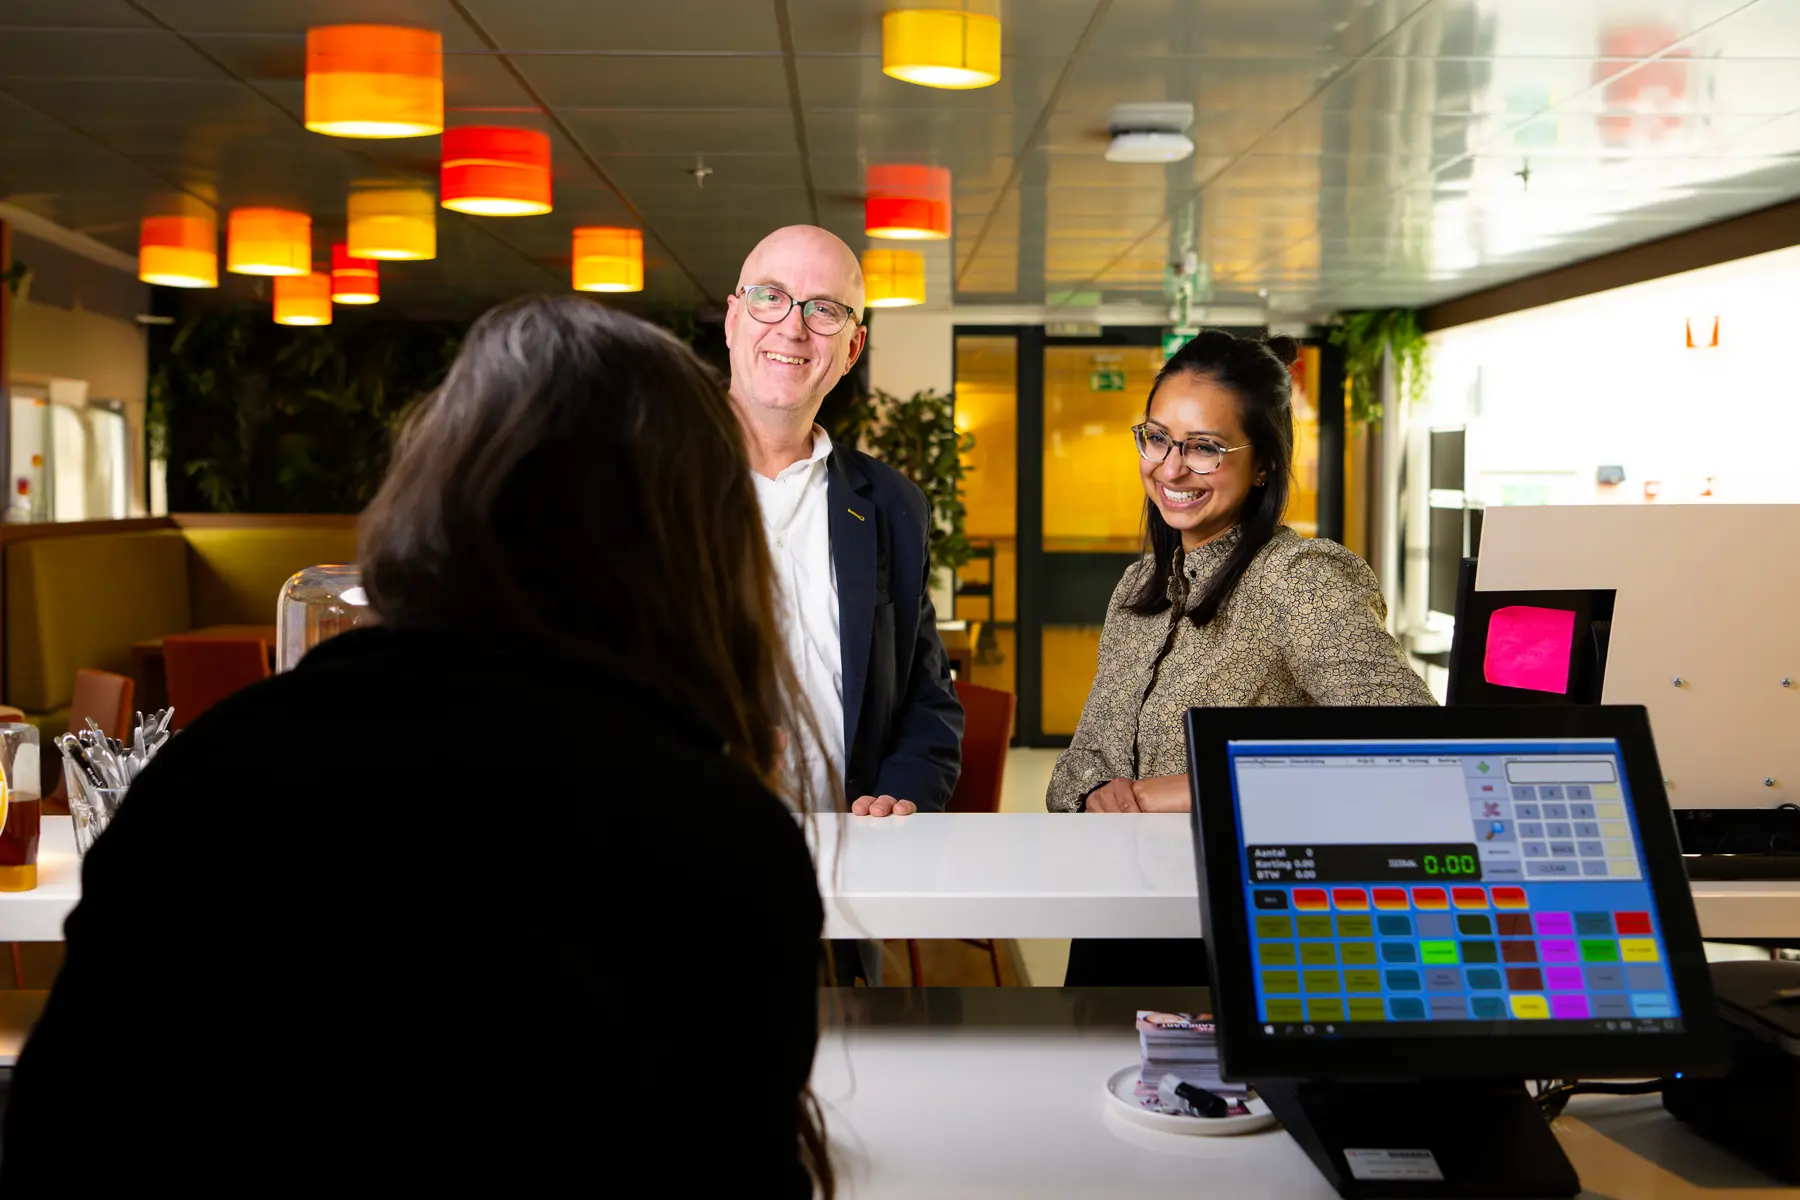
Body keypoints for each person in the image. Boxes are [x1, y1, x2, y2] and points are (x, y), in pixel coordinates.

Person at [1, 298, 833, 1196]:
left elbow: (58, 1142)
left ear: (435, 496)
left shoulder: (213, 772)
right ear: (698, 543)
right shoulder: (725, 842)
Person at [1047, 329, 1434, 986]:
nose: (1170, 467)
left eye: (1205, 448)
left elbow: (1414, 750)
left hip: (1239, 940)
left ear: (1263, 465)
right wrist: (1097, 794)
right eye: (1158, 438)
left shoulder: (1301, 579)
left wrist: (1196, 789)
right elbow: (1077, 774)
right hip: (1117, 919)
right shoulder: (1140, 587)